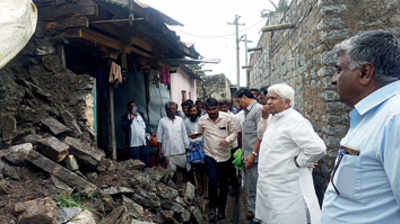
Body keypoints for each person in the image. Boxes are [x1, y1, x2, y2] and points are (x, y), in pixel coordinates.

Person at [321, 30, 400, 223]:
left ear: (365, 73)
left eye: (339, 70)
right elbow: (355, 192)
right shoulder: (368, 117)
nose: (333, 79)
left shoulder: (394, 118)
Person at [255, 83, 326, 224]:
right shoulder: (273, 118)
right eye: (268, 98)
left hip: (287, 186)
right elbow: (261, 136)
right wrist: (263, 118)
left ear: (286, 102)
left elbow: (317, 148)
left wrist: (299, 162)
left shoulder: (295, 121)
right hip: (271, 184)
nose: (268, 101)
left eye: (273, 98)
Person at [197, 98, 239, 223]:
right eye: (209, 109)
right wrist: (195, 134)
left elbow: (235, 133)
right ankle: (212, 209)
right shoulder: (202, 120)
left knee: (224, 184)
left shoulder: (227, 118)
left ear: (218, 108)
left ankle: (222, 209)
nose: (212, 112)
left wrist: (227, 140)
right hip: (210, 155)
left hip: (225, 156)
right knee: (213, 181)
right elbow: (200, 132)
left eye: (214, 109)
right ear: (206, 109)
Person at [235, 88, 263, 222]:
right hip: (247, 155)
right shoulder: (247, 112)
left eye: (239, 101)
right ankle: (252, 210)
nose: (238, 104)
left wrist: (253, 154)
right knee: (249, 186)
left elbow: (261, 135)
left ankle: (257, 214)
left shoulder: (258, 110)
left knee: (255, 186)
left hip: (255, 157)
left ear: (245, 97)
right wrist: (243, 153)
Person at [156, 102, 190, 182]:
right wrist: (160, 151)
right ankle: (172, 188)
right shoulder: (162, 121)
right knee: (171, 172)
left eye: (173, 109)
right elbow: (159, 137)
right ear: (166, 110)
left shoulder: (180, 120)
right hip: (168, 151)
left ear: (176, 110)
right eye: (169, 109)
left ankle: (183, 187)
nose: (171, 111)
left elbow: (184, 135)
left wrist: (187, 147)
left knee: (184, 169)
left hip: (180, 150)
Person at [184, 105, 206, 195]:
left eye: (194, 111)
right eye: (191, 111)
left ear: (198, 111)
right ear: (189, 112)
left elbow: (205, 132)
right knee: (196, 169)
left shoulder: (202, 120)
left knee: (204, 169)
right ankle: (199, 187)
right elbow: (185, 134)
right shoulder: (186, 122)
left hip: (202, 146)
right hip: (192, 147)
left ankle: (205, 189)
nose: (193, 113)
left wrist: (198, 135)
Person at [122, 100, 149, 166]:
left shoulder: (141, 115)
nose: (133, 107)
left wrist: (148, 135)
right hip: (133, 145)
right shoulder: (125, 117)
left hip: (143, 144)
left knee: (145, 163)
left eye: (134, 106)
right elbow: (125, 127)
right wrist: (130, 119)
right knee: (135, 165)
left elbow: (146, 126)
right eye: (131, 106)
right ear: (128, 108)